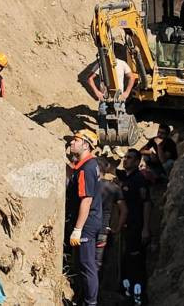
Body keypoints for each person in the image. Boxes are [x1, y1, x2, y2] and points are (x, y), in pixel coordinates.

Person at [66, 129, 102, 306]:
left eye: (75, 140)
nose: (72, 143)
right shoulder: (87, 165)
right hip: (88, 221)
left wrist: (78, 229)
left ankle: (91, 302)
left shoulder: (86, 170)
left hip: (86, 223)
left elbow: (86, 201)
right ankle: (81, 299)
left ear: (86, 145)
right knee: (81, 264)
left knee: (87, 265)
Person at [117, 147, 151, 304]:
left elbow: (146, 204)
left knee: (135, 264)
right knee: (126, 262)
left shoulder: (139, 180)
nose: (125, 159)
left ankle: (139, 299)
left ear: (137, 162)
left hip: (136, 227)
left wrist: (145, 228)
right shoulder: (127, 177)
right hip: (127, 226)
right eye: (125, 157)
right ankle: (127, 295)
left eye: (129, 158)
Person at [86, 43, 136, 130]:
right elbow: (90, 79)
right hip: (105, 98)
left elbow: (132, 77)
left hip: (119, 98)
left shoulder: (122, 64)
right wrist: (97, 92)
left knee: (120, 124)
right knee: (103, 124)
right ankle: (104, 140)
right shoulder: (101, 64)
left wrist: (127, 93)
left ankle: (118, 140)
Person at [96, 157, 126, 281]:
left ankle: (83, 294)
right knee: (99, 263)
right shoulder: (114, 188)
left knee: (84, 262)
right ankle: (97, 294)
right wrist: (117, 228)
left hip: (87, 228)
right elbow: (124, 210)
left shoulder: (89, 185)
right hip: (104, 230)